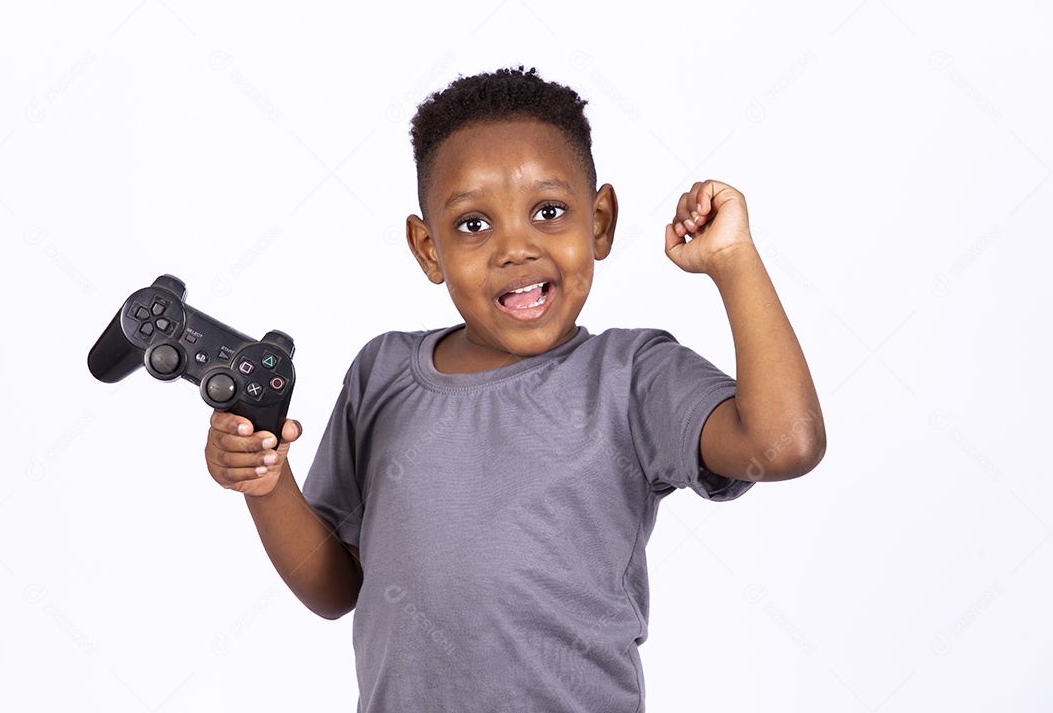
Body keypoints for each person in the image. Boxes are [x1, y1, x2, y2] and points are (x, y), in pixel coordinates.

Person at [204, 66, 825, 711]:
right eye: (474, 224)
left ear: (601, 222)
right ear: (427, 249)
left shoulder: (633, 375)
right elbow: (333, 590)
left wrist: (733, 263)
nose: (515, 248)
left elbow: (784, 445)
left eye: (549, 212)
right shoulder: (381, 372)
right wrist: (267, 482)